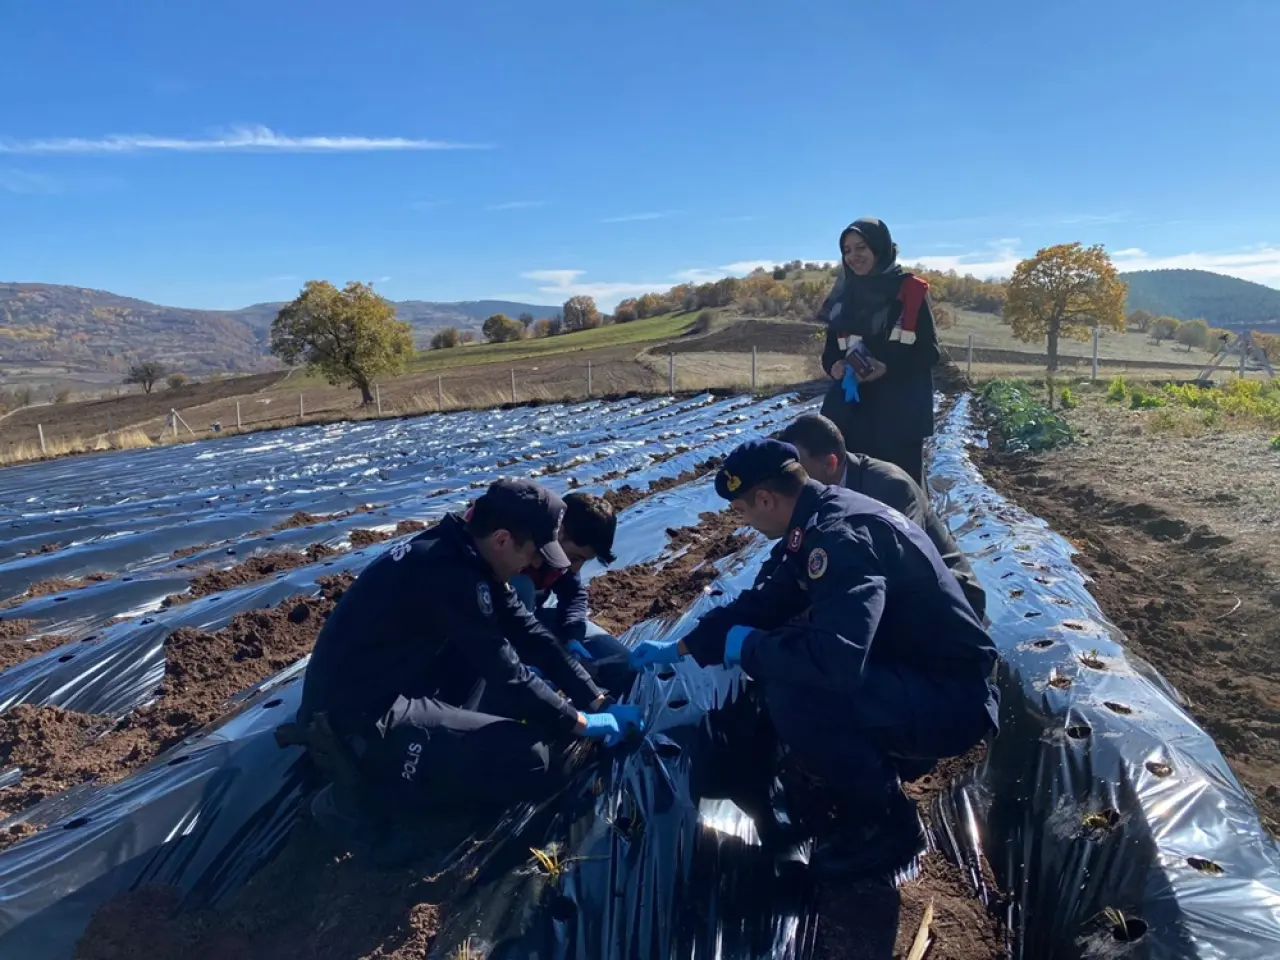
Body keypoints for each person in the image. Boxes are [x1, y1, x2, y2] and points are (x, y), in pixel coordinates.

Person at [627, 439, 999, 879]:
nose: (742, 522)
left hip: (953, 699)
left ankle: (888, 823)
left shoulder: (839, 538)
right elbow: (766, 602)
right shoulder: (819, 518)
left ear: (765, 499)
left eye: (743, 510)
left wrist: (748, 649)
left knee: (794, 688)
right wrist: (687, 645)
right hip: (918, 678)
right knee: (784, 651)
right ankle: (869, 768)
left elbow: (836, 661)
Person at [295, 479, 644, 857]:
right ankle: (350, 801)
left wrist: (596, 700)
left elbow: (531, 636)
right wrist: (577, 721)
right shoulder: (445, 570)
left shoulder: (467, 555)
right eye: (534, 553)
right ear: (502, 539)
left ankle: (434, 759)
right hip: (357, 720)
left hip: (400, 684)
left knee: (510, 713)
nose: (536, 565)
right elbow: (506, 671)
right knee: (533, 762)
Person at [778, 413, 987, 621]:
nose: (793, 480)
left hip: (949, 602)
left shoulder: (888, 486)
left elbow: (900, 567)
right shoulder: (813, 495)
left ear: (830, 463)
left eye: (800, 469)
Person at [818, 218, 941, 487]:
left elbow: (929, 353)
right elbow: (829, 354)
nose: (853, 256)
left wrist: (888, 368)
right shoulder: (842, 298)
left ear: (880, 248)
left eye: (860, 247)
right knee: (855, 499)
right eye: (847, 250)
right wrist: (834, 367)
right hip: (851, 417)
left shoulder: (910, 291)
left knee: (901, 498)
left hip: (897, 418)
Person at [509, 491, 635, 694]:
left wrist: (572, 637)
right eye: (576, 557)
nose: (575, 568)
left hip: (532, 622)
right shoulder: (511, 552)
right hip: (494, 638)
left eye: (584, 560)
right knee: (523, 587)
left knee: (620, 662)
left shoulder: (561, 562)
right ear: (560, 533)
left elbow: (574, 595)